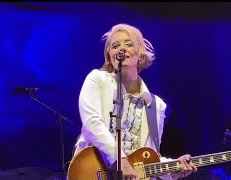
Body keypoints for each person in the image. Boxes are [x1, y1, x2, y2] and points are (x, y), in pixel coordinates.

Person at [71, 23, 197, 180]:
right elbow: (92, 124)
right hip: (92, 171)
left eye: (129, 44)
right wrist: (119, 160)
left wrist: (172, 168)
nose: (121, 49)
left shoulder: (156, 106)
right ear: (109, 54)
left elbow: (148, 156)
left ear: (140, 52)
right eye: (115, 46)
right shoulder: (97, 80)